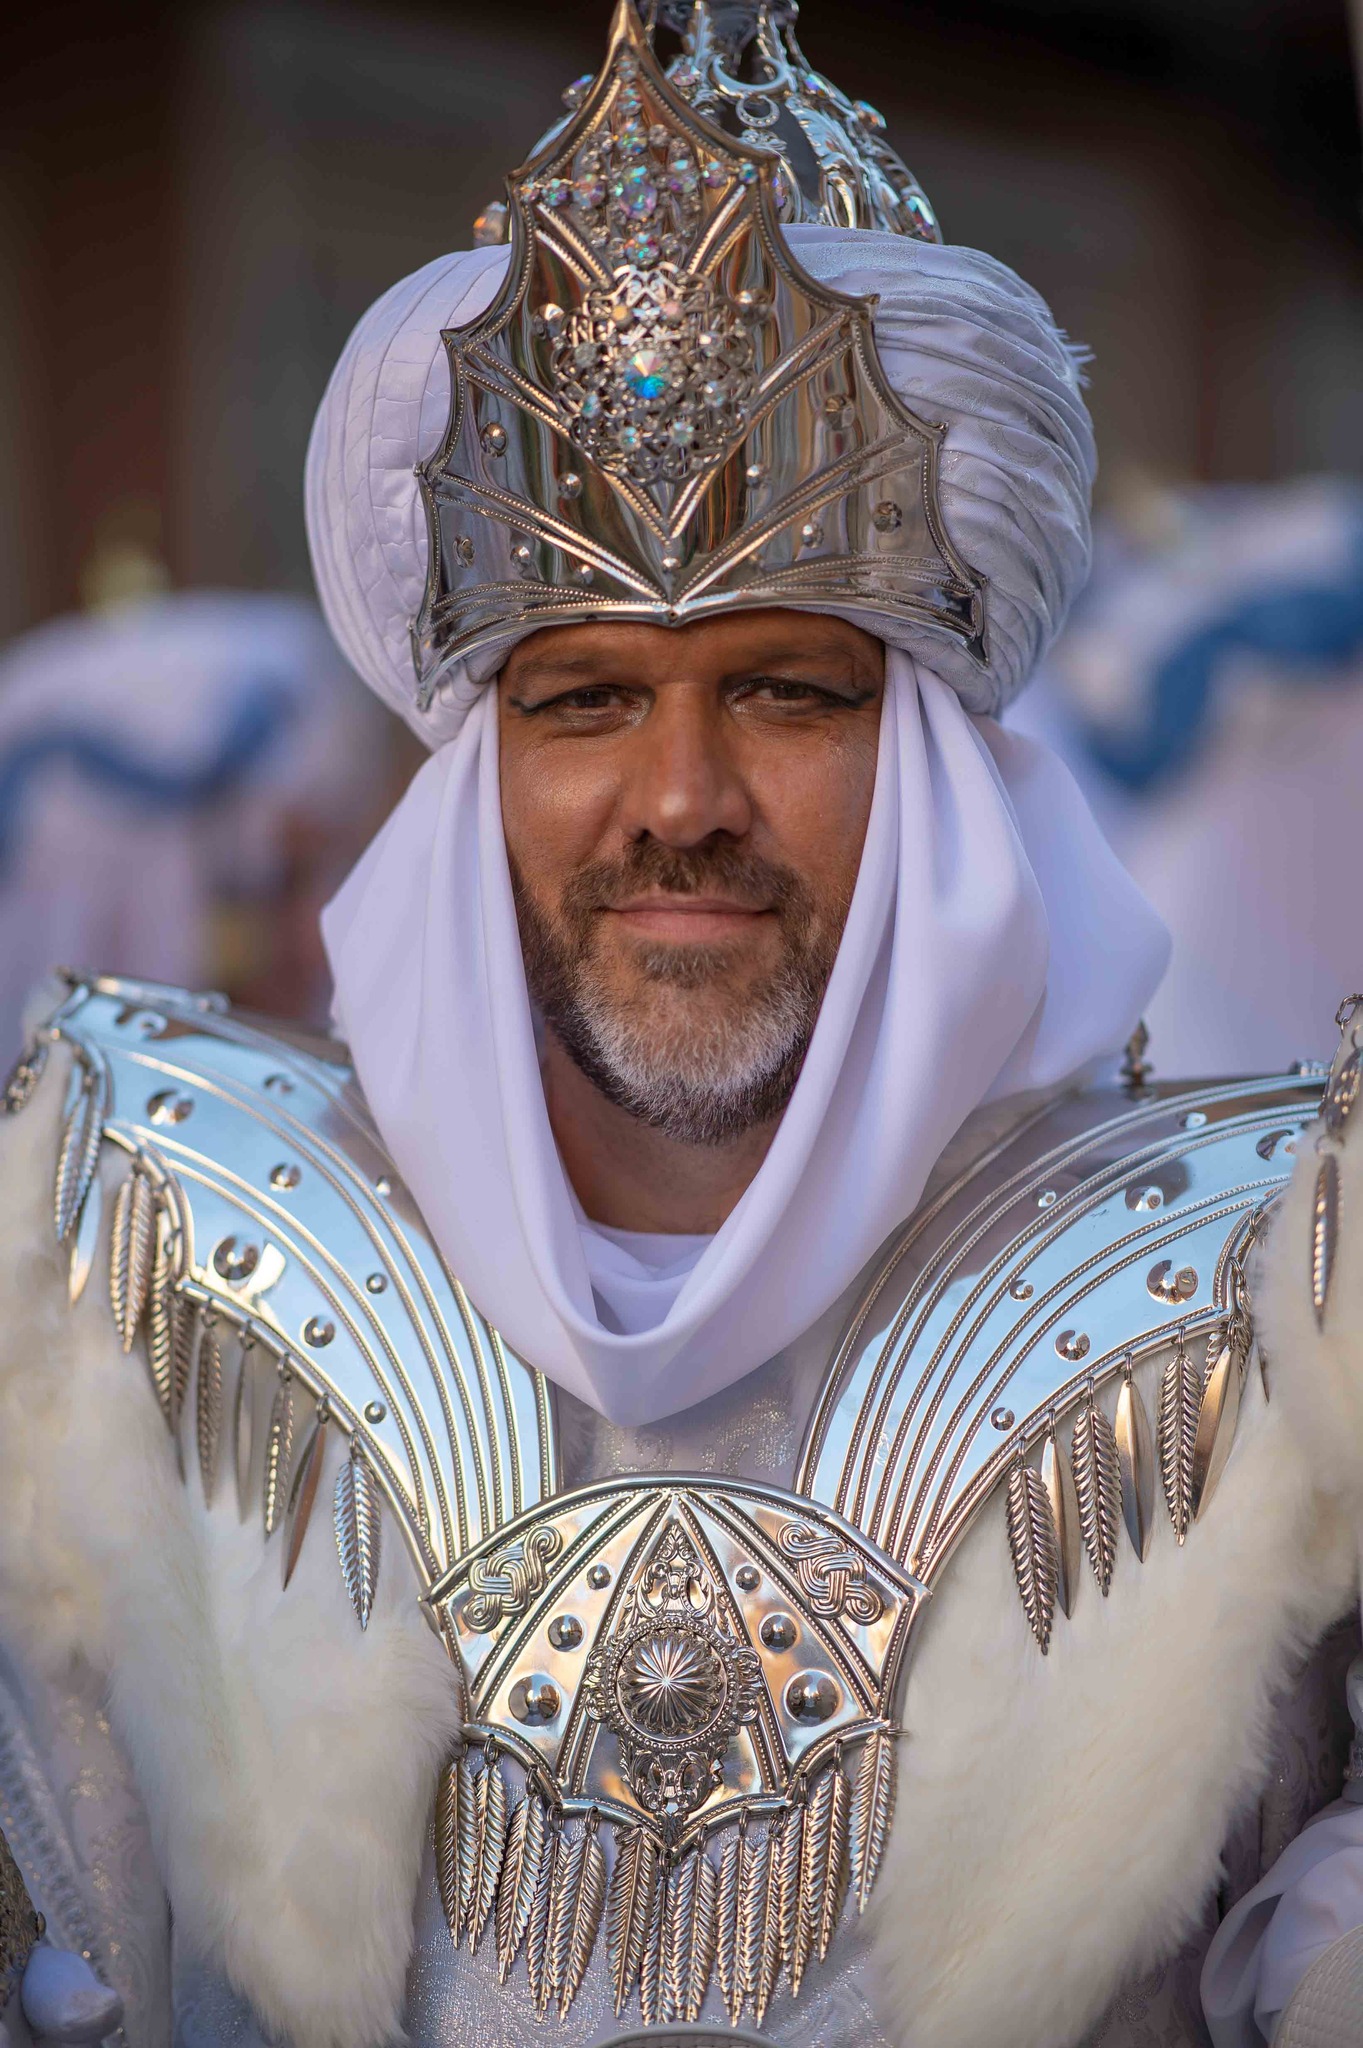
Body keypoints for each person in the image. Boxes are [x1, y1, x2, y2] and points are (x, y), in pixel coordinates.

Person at [1, 5, 1361, 2045]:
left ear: (935, 760)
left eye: (789, 691)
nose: (681, 798)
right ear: (478, 769)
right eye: (585, 701)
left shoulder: (1292, 1299)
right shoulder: (133, 1258)